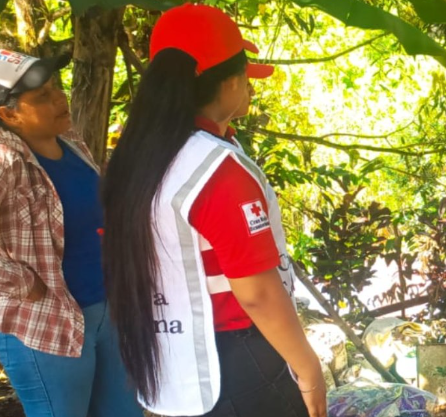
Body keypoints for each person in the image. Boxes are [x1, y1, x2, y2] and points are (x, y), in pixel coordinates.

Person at [100, 4, 326, 417]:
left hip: (172, 353)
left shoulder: (138, 159)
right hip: (240, 365)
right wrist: (308, 367)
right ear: (230, 83)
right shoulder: (217, 170)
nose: (251, 88)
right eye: (247, 78)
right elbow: (257, 293)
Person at [0, 49, 143, 417]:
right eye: (42, 96)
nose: (59, 98)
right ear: (8, 114)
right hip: (47, 323)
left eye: (56, 88)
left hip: (106, 309)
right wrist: (21, 282)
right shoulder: (5, 160)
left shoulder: (70, 141)